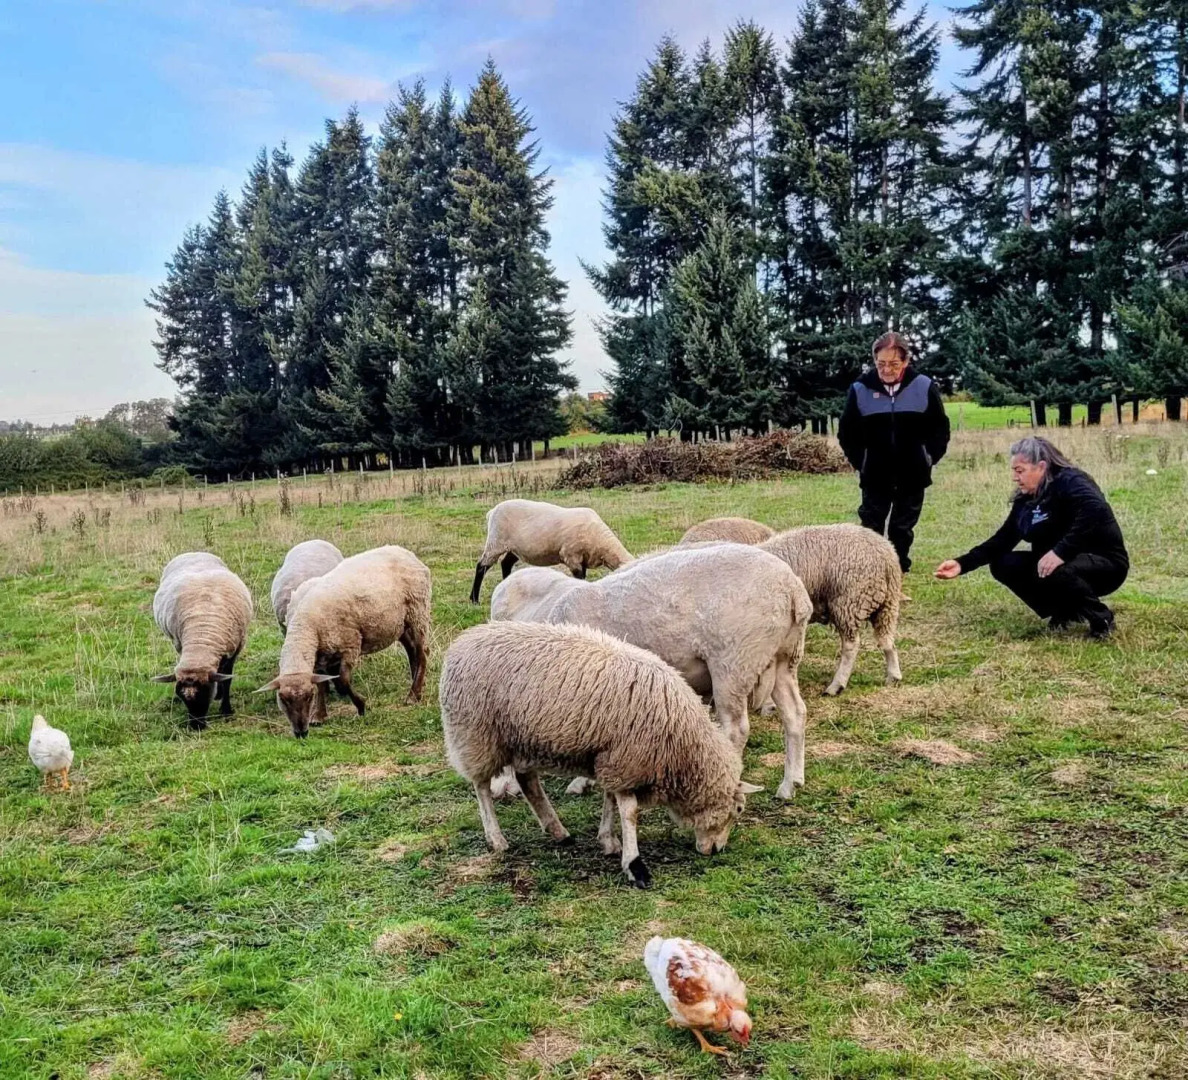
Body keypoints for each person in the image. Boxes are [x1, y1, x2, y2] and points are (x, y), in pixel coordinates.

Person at [934, 437, 1128, 639]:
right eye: (1014, 471)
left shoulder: (1070, 481)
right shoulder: (1028, 497)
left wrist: (1060, 552)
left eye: (1020, 470)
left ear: (1041, 466)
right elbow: (1004, 538)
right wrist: (962, 563)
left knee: (1056, 567)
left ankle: (1101, 619)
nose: (1015, 478)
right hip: (1060, 567)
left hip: (1105, 565)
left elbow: (1096, 509)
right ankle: (1067, 610)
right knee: (1003, 563)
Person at [838, 331, 950, 575]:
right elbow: (847, 433)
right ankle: (871, 569)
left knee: (902, 527)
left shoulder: (924, 387)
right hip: (875, 474)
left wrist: (928, 458)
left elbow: (940, 428)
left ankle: (897, 569)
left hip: (913, 473)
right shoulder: (859, 389)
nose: (886, 369)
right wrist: (862, 462)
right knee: (871, 523)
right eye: (881, 364)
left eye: (893, 364)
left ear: (906, 361)